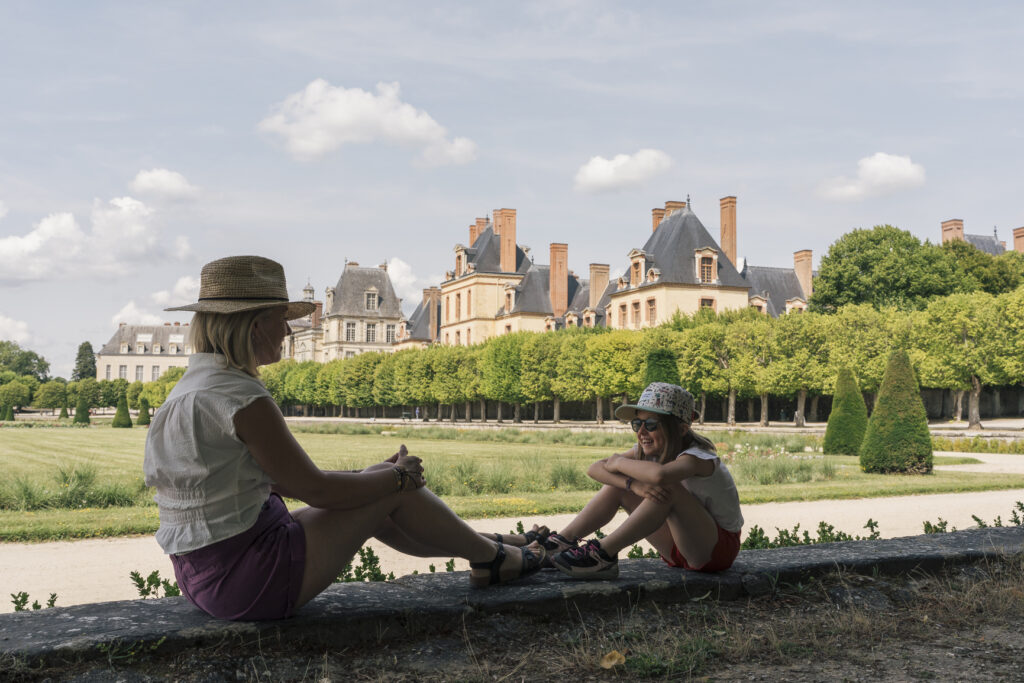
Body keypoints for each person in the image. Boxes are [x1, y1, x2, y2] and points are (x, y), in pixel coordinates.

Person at [143, 255, 542, 621]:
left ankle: (497, 546)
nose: (286, 330)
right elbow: (316, 490)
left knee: (374, 486)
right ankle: (495, 558)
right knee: (391, 491)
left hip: (206, 576)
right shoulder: (241, 397)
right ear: (254, 325)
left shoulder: (192, 389)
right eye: (280, 318)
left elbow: (280, 479)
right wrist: (398, 477)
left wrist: (371, 476)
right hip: (248, 579)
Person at [501, 382, 743, 580]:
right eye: (636, 424)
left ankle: (602, 554)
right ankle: (562, 542)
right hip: (677, 548)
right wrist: (632, 485)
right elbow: (594, 468)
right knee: (619, 486)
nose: (641, 432)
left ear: (680, 429)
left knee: (665, 487)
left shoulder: (698, 457)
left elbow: (660, 476)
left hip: (714, 551)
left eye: (651, 425)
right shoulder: (652, 451)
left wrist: (617, 462)